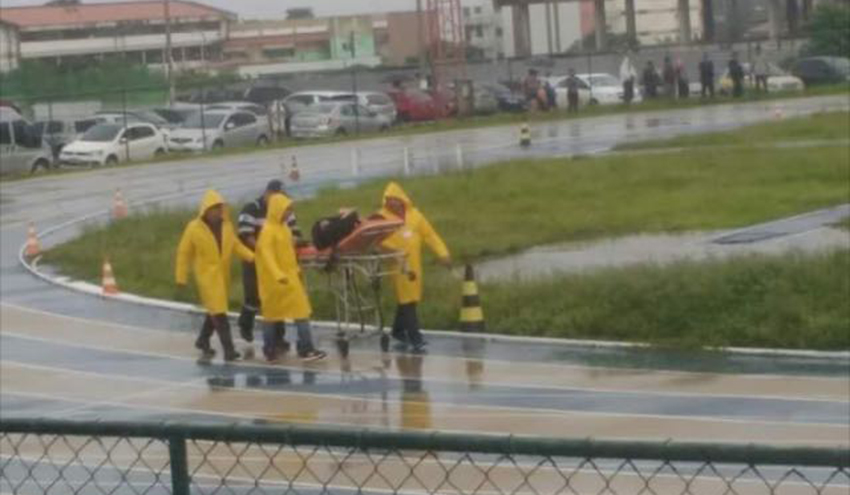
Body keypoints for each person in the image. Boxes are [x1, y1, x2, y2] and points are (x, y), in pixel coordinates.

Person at [176, 190, 254, 362]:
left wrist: (253, 258)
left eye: (220, 208)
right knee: (219, 313)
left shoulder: (226, 226)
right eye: (214, 208)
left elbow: (235, 246)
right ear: (206, 209)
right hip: (207, 278)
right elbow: (184, 253)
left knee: (215, 310)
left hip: (222, 277)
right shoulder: (193, 228)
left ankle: (202, 340)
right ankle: (229, 351)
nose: (218, 211)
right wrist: (181, 277)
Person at [380, 182, 451, 353]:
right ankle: (415, 338)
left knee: (411, 298)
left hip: (415, 264)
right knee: (407, 300)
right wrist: (392, 251)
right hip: (398, 265)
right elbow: (378, 241)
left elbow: (430, 235)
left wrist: (443, 253)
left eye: (394, 200)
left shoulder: (416, 216)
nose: (392, 204)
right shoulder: (381, 218)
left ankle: (397, 331)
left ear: (402, 199)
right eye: (388, 200)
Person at [255, 194, 326, 362]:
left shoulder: (284, 229)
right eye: (287, 209)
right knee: (271, 316)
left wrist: (296, 269)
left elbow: (288, 253)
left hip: (290, 278)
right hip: (273, 282)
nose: (289, 212)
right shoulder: (267, 232)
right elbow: (267, 257)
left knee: (302, 312)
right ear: (277, 209)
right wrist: (278, 275)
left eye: (290, 209)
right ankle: (269, 350)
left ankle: (306, 349)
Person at [236, 179, 303, 357]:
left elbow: (295, 232)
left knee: (277, 297)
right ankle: (245, 324)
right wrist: (263, 250)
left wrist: (288, 247)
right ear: (267, 193)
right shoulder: (251, 208)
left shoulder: (285, 209)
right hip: (254, 257)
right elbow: (244, 234)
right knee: (253, 296)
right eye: (276, 195)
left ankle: (278, 339)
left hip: (279, 261)